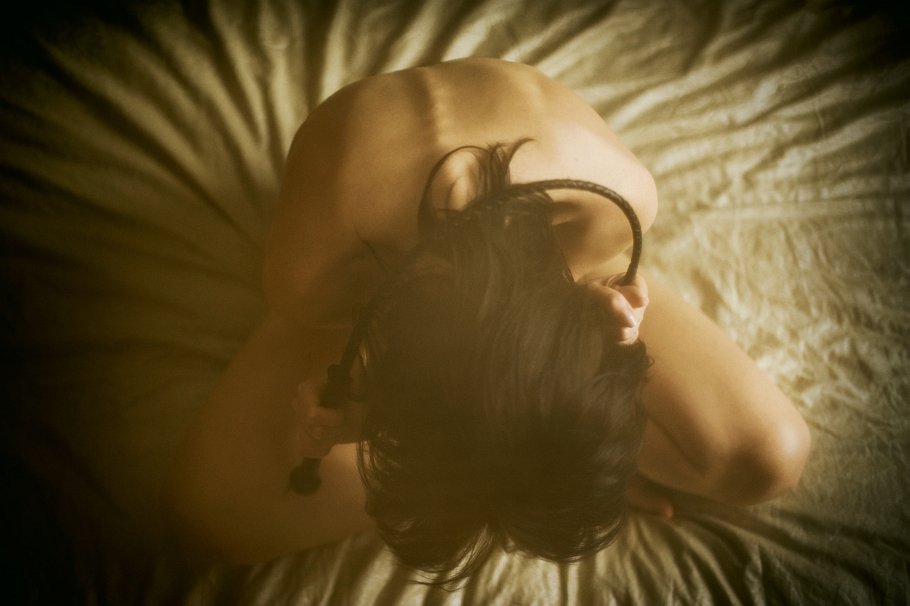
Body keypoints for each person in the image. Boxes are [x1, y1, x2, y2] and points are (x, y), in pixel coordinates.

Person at [163, 58, 811, 582]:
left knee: (769, 458)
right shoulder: (314, 274)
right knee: (212, 523)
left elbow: (533, 324)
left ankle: (520, 450)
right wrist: (361, 407)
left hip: (553, 249)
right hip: (369, 267)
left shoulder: (615, 204)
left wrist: (583, 385)